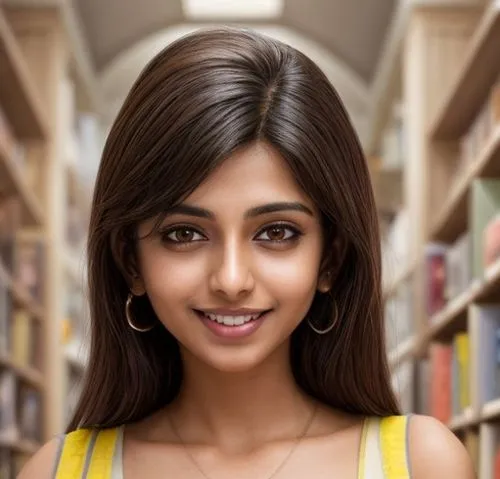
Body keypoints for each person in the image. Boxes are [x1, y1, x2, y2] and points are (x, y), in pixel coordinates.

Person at [20, 27, 474, 479]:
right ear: (130, 260)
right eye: (183, 234)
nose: (231, 280)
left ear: (330, 259)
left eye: (277, 232)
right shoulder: (56, 471)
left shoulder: (425, 464)